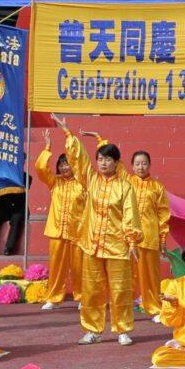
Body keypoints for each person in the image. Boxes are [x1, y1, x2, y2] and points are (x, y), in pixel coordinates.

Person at [54, 115, 142, 346]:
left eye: (107, 159)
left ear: (116, 163)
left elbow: (131, 216)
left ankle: (122, 329)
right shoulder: (90, 179)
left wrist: (132, 243)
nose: (103, 163)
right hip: (91, 244)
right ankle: (93, 329)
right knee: (91, 290)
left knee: (121, 289)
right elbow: (80, 159)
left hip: (117, 247)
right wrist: (68, 133)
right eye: (100, 159)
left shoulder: (125, 187)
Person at [81, 130, 170, 322]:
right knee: (126, 277)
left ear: (150, 165)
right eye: (137, 163)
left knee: (150, 276)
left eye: (144, 163)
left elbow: (163, 214)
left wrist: (163, 238)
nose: (140, 166)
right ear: (130, 166)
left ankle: (153, 306)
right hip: (123, 238)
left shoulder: (157, 187)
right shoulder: (126, 182)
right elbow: (109, 159)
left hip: (149, 236)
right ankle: (120, 307)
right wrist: (99, 139)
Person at [35, 130, 86, 310]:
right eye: (62, 164)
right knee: (56, 266)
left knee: (79, 267)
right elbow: (40, 168)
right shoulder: (54, 182)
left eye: (68, 164)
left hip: (78, 232)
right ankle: (54, 297)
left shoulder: (82, 184)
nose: (65, 168)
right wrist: (47, 147)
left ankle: (81, 297)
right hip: (56, 231)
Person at [0, 182, 28, 256]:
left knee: (16, 219)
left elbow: (28, 184)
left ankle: (9, 248)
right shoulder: (1, 176)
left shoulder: (23, 176)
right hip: (2, 207)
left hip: (17, 208)